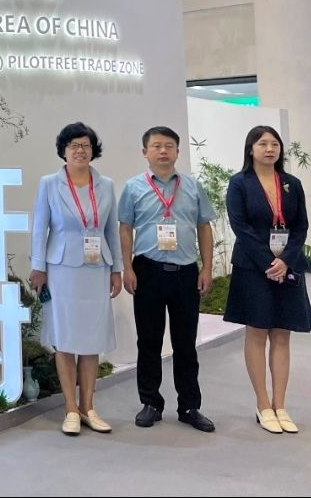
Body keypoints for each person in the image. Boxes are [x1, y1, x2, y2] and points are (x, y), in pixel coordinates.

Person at [118, 126, 217, 433]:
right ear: (145, 152)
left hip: (186, 272)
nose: (163, 151)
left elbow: (204, 227)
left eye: (169, 146)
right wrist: (127, 268)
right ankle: (150, 403)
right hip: (147, 271)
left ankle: (189, 406)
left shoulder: (192, 186)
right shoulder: (133, 187)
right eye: (157, 146)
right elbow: (125, 228)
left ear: (177, 152)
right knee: (148, 341)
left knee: (186, 343)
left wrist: (207, 268)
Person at [28, 123, 122, 436]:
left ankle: (88, 407)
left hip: (97, 270)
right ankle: (70, 408)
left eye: (85, 145)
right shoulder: (49, 184)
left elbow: (111, 231)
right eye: (73, 146)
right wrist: (38, 267)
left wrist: (117, 269)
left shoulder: (106, 185)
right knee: (66, 338)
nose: (80, 151)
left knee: (92, 339)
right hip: (61, 270)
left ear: (93, 150)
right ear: (63, 151)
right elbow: (39, 228)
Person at [224, 125, 311, 434]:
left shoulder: (292, 184)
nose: (269, 149)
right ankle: (263, 404)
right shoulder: (240, 183)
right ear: (250, 149)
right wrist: (268, 262)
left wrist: (285, 260)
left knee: (282, 333)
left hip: (286, 265)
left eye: (274, 144)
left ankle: (280, 404)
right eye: (262, 143)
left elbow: (301, 226)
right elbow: (240, 227)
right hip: (253, 267)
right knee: (257, 331)